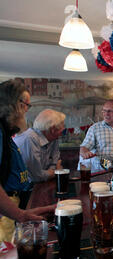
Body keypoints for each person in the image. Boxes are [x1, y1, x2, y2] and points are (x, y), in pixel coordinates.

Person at [0, 80, 56, 242]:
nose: (26, 111)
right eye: (26, 105)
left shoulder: (5, 132)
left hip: (13, 208)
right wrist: (20, 215)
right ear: (14, 104)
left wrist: (27, 211)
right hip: (6, 216)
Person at [13, 109, 65, 183]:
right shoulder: (30, 139)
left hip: (41, 183)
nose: (62, 133)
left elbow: (54, 161)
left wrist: (53, 171)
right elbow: (36, 177)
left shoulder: (53, 138)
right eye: (62, 129)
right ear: (53, 129)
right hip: (23, 189)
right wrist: (56, 172)